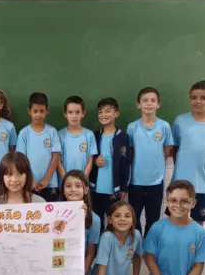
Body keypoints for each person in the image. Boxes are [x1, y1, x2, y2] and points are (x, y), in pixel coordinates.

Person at [38, 170, 99, 275]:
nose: (73, 189)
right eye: (68, 186)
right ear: (63, 190)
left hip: (77, 273)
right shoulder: (52, 214)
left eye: (78, 186)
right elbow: (47, 248)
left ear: (86, 190)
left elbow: (90, 254)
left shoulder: (95, 219)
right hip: (55, 270)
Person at [169, 81, 205, 225]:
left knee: (199, 222)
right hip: (180, 182)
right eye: (194, 97)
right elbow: (175, 149)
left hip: (204, 183)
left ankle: (194, 247)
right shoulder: (179, 121)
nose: (198, 101)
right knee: (176, 218)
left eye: (203, 98)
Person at [126, 87, 174, 237]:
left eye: (153, 100)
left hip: (156, 180)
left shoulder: (164, 126)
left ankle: (149, 245)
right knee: (134, 216)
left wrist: (156, 163)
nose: (149, 104)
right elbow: (130, 152)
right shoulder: (132, 127)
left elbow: (167, 149)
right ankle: (137, 242)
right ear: (138, 104)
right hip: (135, 180)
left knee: (153, 218)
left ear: (158, 104)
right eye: (145, 100)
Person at [89, 97, 131, 233]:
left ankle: (111, 248)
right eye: (100, 112)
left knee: (113, 221)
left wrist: (124, 187)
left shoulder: (123, 137)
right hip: (96, 189)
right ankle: (97, 249)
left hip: (114, 190)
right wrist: (95, 162)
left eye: (108, 111)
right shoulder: (94, 136)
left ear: (116, 113)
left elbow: (126, 164)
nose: (103, 115)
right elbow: (89, 159)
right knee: (96, 221)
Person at [16, 92, 61, 203]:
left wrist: (46, 180)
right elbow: (21, 160)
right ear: (29, 111)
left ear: (47, 111)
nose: (38, 115)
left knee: (50, 216)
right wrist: (30, 179)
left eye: (42, 111)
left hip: (50, 184)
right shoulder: (24, 133)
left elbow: (55, 157)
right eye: (35, 111)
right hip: (29, 183)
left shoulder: (52, 132)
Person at [57, 95, 98, 179]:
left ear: (83, 113)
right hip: (64, 183)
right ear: (65, 114)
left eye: (77, 112)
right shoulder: (59, 135)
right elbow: (57, 162)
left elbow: (90, 162)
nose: (74, 116)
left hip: (82, 184)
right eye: (70, 112)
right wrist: (67, 180)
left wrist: (82, 180)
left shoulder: (89, 135)